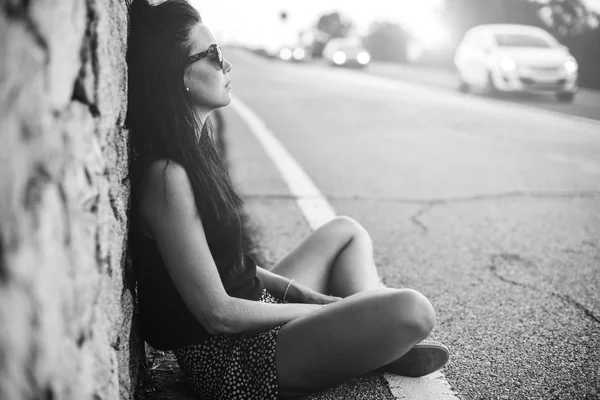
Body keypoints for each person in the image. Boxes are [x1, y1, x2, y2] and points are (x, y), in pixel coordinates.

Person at [126, 1, 449, 399]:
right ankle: (370, 341)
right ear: (179, 77)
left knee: (346, 232)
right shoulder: (167, 178)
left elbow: (233, 266)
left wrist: (304, 295)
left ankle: (367, 340)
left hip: (254, 315)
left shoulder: (198, 148)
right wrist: (328, 312)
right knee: (413, 310)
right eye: (212, 55)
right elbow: (218, 314)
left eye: (221, 52)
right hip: (234, 360)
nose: (226, 66)